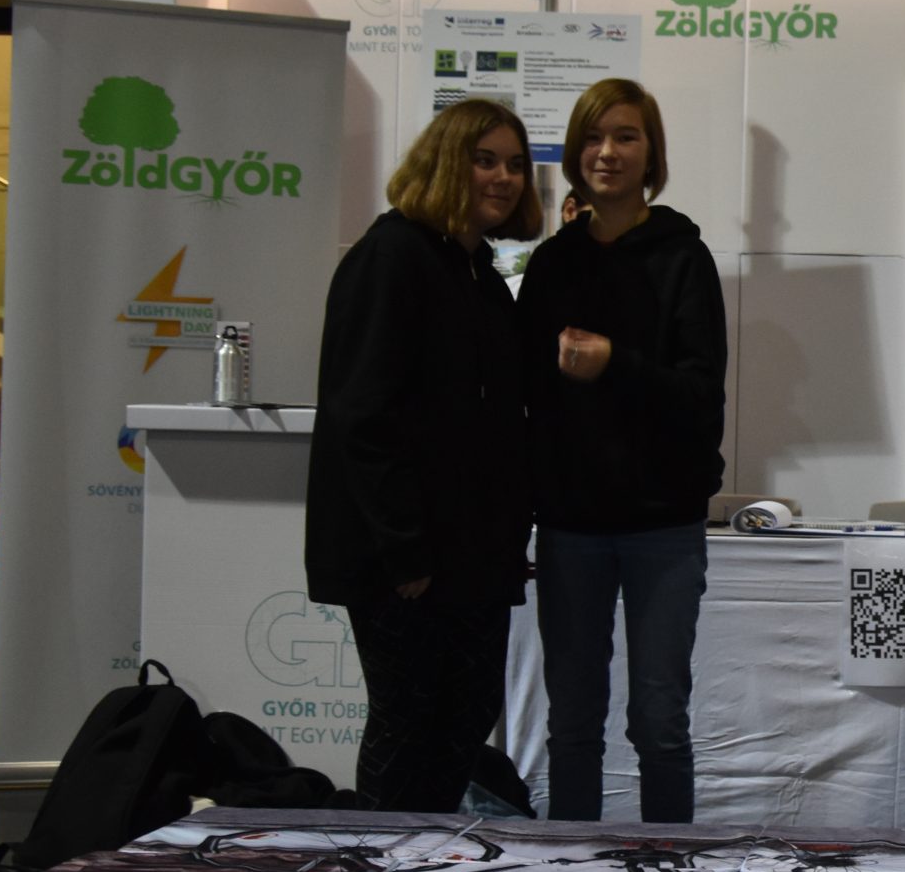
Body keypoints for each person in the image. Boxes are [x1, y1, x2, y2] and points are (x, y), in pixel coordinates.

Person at [306, 98, 538, 812]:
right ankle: (382, 863)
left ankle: (424, 857)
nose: (503, 177)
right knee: (408, 723)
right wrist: (404, 548)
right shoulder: (392, 256)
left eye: (515, 164)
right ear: (445, 163)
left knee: (464, 716)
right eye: (484, 159)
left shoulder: (480, 274)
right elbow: (360, 416)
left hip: (471, 557)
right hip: (407, 561)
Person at [520, 78, 727, 823]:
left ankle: (669, 870)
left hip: (662, 524)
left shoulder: (685, 259)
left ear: (651, 153)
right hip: (570, 522)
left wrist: (615, 362)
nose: (607, 152)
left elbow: (702, 395)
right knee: (573, 721)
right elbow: (525, 397)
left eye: (625, 136)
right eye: (593, 137)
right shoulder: (551, 264)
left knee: (659, 722)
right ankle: (569, 869)